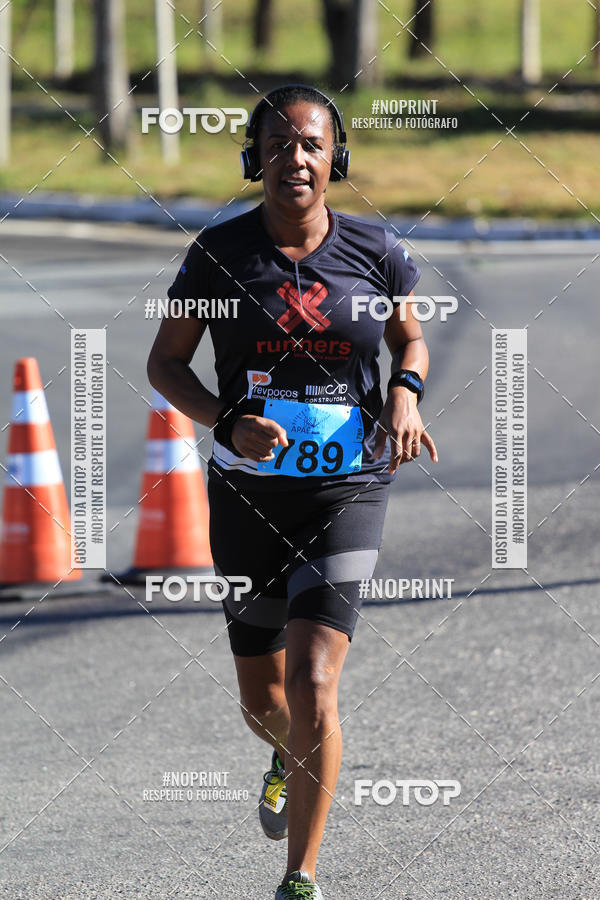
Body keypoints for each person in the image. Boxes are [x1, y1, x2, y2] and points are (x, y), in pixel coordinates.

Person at [147, 83, 437, 900]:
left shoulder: (376, 250)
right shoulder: (219, 255)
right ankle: (283, 750)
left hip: (347, 488)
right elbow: (164, 363)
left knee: (314, 683)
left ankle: (299, 878)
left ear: (335, 158)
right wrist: (227, 418)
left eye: (311, 144)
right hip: (248, 496)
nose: (295, 159)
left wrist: (406, 392)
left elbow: (410, 336)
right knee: (263, 700)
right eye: (277, 145)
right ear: (255, 159)